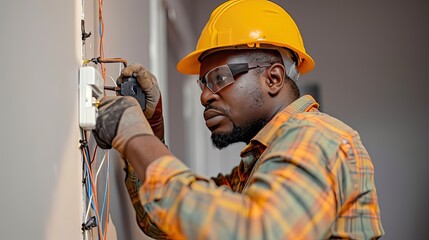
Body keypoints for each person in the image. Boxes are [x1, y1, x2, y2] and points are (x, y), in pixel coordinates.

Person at [93, 0, 385, 239]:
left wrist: (135, 137)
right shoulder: (261, 163)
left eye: (219, 78)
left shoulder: (316, 136)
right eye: (203, 84)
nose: (205, 97)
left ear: (273, 78)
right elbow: (165, 222)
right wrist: (152, 130)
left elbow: (257, 232)